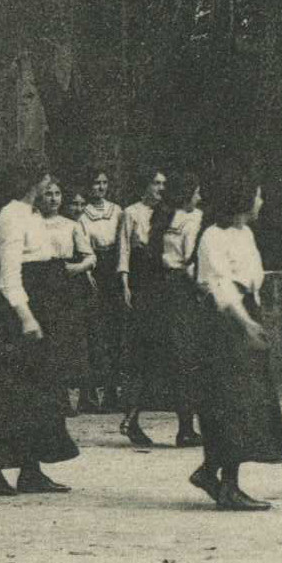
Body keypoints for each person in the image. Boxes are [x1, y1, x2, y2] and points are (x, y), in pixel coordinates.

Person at [0, 164, 80, 495]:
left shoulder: (32, 213)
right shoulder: (11, 216)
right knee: (5, 394)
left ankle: (31, 469)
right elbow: (8, 276)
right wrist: (26, 317)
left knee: (38, 393)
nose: (49, 183)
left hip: (43, 303)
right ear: (31, 181)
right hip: (16, 314)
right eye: (44, 178)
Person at [189, 170, 282, 511]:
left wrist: (256, 315)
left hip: (245, 315)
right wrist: (245, 323)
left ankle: (211, 471)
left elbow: (251, 281)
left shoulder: (245, 234)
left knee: (247, 402)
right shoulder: (212, 237)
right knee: (230, 401)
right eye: (257, 195)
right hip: (225, 324)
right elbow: (219, 287)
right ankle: (227, 485)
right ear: (242, 198)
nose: (261, 201)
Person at [129, 172, 204, 448]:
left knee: (154, 355)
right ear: (187, 195)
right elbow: (190, 261)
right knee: (185, 358)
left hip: (157, 288)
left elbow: (152, 254)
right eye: (196, 192)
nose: (200, 197)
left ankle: (133, 415)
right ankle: (185, 429)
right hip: (181, 289)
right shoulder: (192, 220)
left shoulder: (161, 217)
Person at [36, 176, 97, 413]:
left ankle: (74, 397)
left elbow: (90, 256)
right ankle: (52, 399)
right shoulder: (32, 222)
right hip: (41, 282)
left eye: (57, 194)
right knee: (46, 340)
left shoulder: (70, 225)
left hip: (65, 284)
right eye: (48, 194)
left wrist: (76, 268)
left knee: (67, 340)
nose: (53, 199)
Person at [75, 166, 127, 415]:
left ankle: (112, 393)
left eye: (104, 183)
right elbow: (84, 247)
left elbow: (123, 242)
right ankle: (91, 393)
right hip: (94, 271)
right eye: (96, 183)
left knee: (115, 330)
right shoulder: (82, 216)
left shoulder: (116, 211)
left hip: (113, 269)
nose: (101, 188)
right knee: (97, 331)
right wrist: (87, 273)